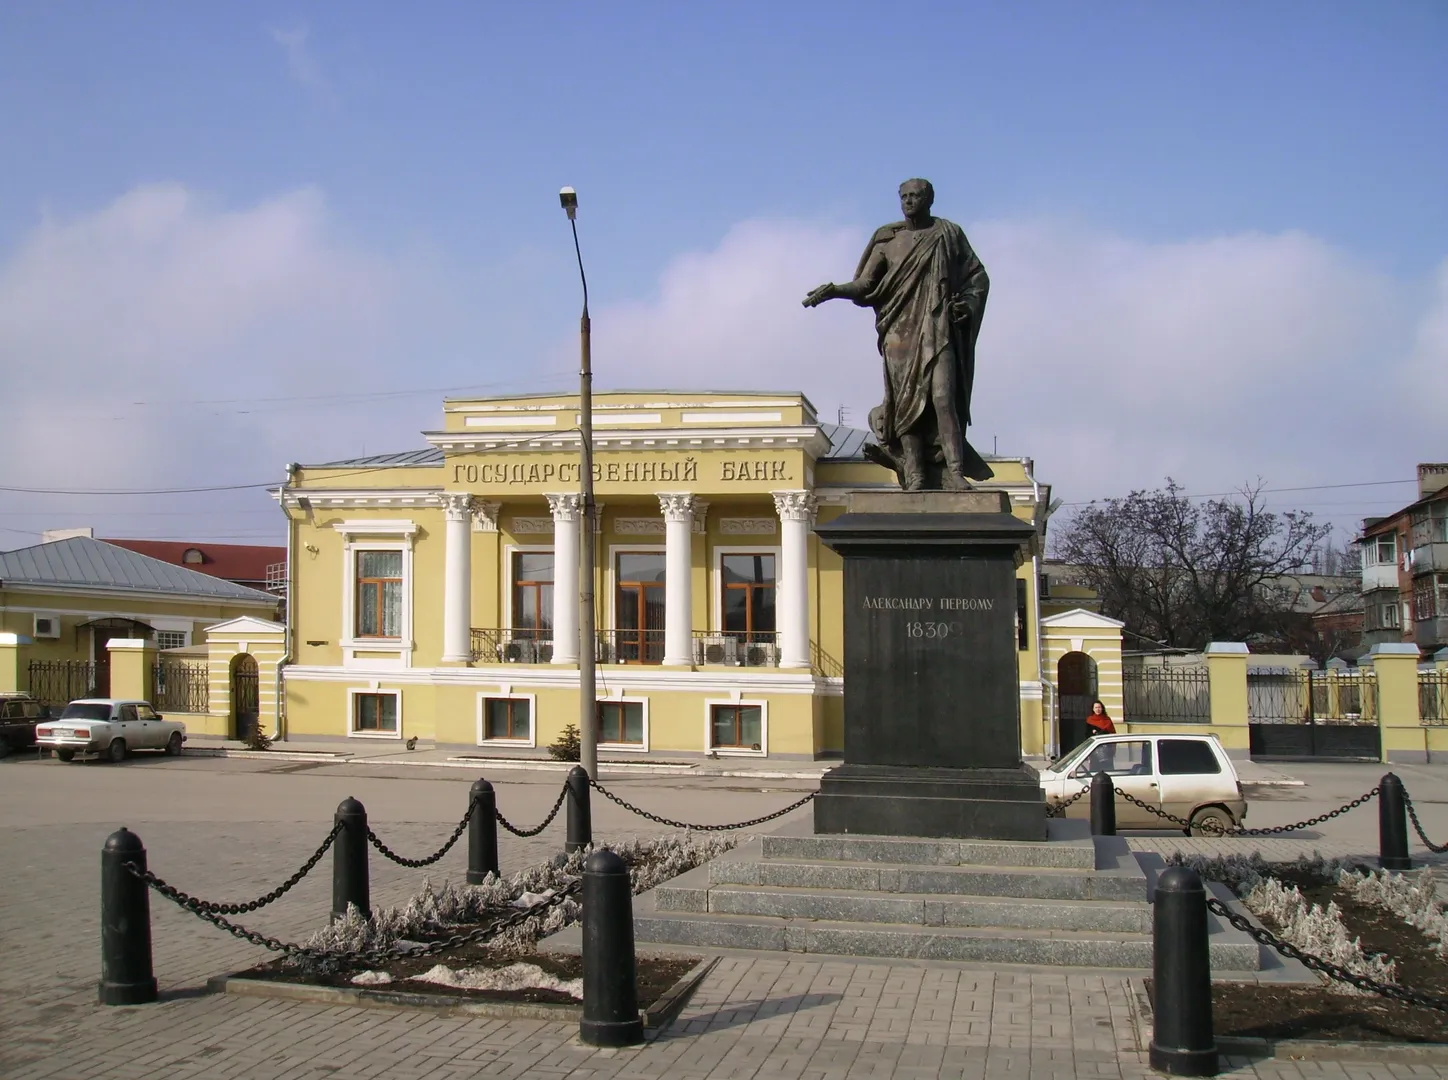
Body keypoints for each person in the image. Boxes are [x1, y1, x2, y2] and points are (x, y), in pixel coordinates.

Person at [802, 179, 992, 491]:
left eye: (915, 196)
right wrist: (835, 290)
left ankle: (955, 472)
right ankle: (915, 475)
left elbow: (976, 276)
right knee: (906, 405)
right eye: (904, 196)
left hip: (937, 326)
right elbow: (865, 286)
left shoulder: (948, 234)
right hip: (899, 333)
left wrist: (968, 306)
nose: (909, 201)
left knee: (943, 397)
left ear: (929, 199)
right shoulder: (887, 242)